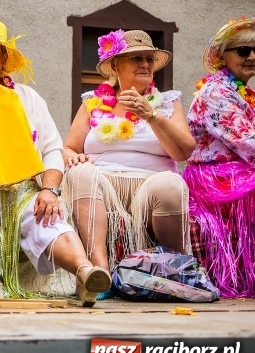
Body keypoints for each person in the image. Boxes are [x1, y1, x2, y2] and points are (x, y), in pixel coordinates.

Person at [0, 18, 111, 306]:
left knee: (46, 214)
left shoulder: (27, 97)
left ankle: (85, 273)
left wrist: (49, 189)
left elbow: (52, 150)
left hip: (21, 189)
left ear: (4, 58)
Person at [62, 29, 195, 278]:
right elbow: (69, 147)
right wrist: (73, 158)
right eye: (136, 58)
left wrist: (151, 116)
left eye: (149, 59)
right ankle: (98, 267)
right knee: (80, 172)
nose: (145, 64)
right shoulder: (92, 101)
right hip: (102, 184)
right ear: (115, 65)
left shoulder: (167, 102)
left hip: (151, 184)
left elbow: (184, 151)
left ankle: (175, 270)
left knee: (171, 185)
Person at [183, 16, 255, 298]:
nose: (251, 56)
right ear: (222, 56)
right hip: (214, 179)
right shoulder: (216, 92)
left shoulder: (242, 92)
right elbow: (248, 143)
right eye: (242, 50)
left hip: (237, 173)